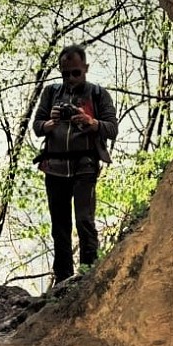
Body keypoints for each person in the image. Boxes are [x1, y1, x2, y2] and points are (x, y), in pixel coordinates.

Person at [33, 44, 118, 289]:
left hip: (85, 165)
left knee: (84, 221)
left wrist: (91, 122)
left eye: (75, 73)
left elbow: (112, 128)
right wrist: (51, 123)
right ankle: (62, 281)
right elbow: (37, 126)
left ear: (86, 69)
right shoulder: (51, 93)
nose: (70, 78)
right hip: (54, 166)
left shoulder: (98, 94)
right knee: (59, 226)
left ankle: (88, 277)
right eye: (65, 74)